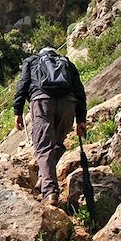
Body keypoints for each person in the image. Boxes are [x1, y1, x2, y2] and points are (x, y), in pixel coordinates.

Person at [13, 47, 87, 206]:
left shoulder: (32, 61)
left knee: (43, 147)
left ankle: (50, 191)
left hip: (42, 102)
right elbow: (79, 90)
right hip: (68, 104)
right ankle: (43, 176)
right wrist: (81, 119)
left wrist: (17, 111)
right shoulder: (67, 63)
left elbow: (23, 85)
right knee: (57, 144)